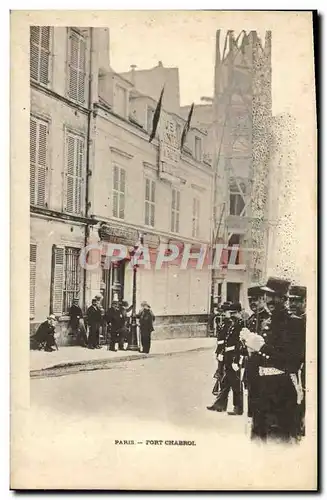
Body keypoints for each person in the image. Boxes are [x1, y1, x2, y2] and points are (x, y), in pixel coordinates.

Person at [241, 277, 304, 443]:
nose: (269, 300)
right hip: (261, 390)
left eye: (274, 296)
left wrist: (262, 348)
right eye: (267, 296)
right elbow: (260, 359)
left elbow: (293, 361)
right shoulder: (267, 322)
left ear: (284, 298)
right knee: (258, 439)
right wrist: (250, 347)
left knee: (278, 441)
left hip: (280, 390)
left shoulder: (294, 323)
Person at [207, 302, 245, 416]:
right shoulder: (233, 324)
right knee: (225, 381)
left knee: (235, 383)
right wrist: (222, 353)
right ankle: (220, 404)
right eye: (231, 313)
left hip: (234, 358)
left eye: (234, 313)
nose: (232, 315)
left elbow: (240, 344)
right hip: (228, 357)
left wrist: (235, 360)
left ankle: (238, 407)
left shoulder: (240, 325)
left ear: (240, 313)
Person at [244, 286, 271, 418]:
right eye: (250, 300)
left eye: (256, 300)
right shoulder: (251, 319)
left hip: (264, 365)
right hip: (251, 365)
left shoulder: (269, 318)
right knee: (252, 395)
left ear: (263, 299)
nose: (252, 303)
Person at [288, 285, 307, 437]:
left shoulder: (309, 321)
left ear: (305, 301)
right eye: (290, 300)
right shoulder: (290, 322)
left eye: (297, 301)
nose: (293, 304)